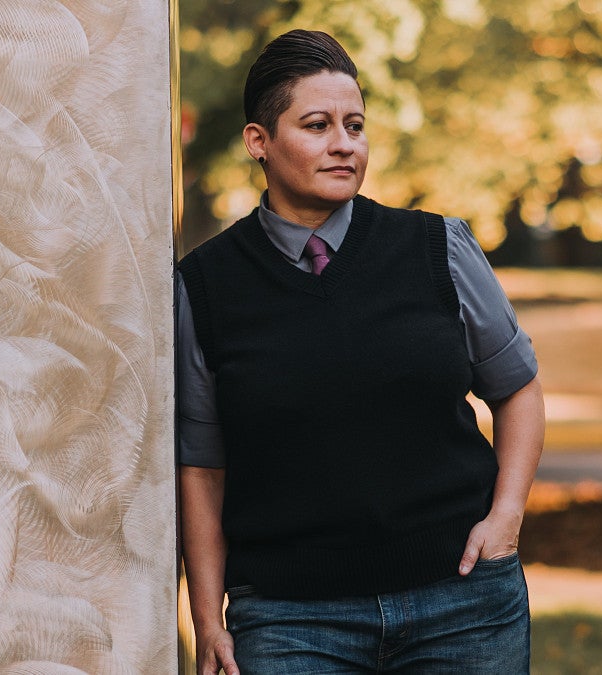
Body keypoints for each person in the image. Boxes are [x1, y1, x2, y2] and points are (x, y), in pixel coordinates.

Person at [176, 29, 544, 674]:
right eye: (317, 125)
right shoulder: (204, 286)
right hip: (291, 624)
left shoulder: (439, 247)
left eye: (355, 125)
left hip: (463, 606)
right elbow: (203, 465)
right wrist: (207, 618)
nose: (343, 144)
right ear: (258, 142)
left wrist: (505, 519)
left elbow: (516, 389)